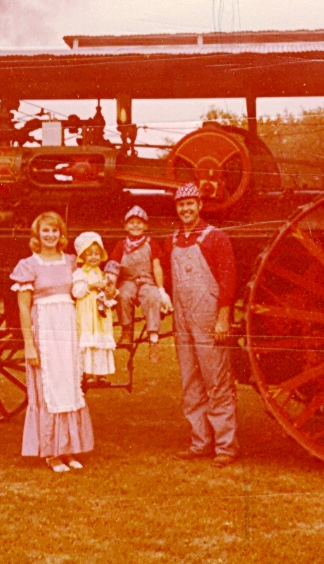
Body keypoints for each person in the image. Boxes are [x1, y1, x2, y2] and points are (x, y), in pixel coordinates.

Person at [10, 211, 93, 473]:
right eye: (45, 231)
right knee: (50, 389)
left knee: (68, 386)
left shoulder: (70, 262)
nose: (50, 235)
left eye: (54, 231)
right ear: (38, 234)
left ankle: (68, 449)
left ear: (61, 234)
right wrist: (29, 344)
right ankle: (51, 453)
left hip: (67, 329)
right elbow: (24, 308)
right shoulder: (28, 265)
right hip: (43, 330)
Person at [168, 182, 239, 468]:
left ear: (200, 205)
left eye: (190, 204)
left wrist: (223, 317)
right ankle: (200, 442)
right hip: (183, 319)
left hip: (209, 318)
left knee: (217, 380)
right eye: (181, 205)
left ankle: (226, 446)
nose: (185, 209)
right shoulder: (173, 239)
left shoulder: (216, 237)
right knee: (190, 381)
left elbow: (228, 279)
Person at [106, 205, 172, 363]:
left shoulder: (151, 243)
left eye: (140, 222)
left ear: (146, 226)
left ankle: (153, 340)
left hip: (146, 280)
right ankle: (127, 331)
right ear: (125, 226)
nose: (135, 225)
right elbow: (113, 265)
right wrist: (111, 284)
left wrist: (161, 288)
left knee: (152, 297)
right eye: (131, 222)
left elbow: (156, 266)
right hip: (128, 280)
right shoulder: (121, 245)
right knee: (123, 294)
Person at [72, 232, 117, 386]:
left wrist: (110, 292)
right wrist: (92, 286)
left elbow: (110, 292)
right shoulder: (79, 273)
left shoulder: (103, 274)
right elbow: (76, 291)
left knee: (101, 340)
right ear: (83, 256)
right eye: (89, 254)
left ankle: (102, 374)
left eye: (96, 254)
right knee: (89, 340)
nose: (93, 257)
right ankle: (88, 373)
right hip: (86, 311)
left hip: (100, 313)